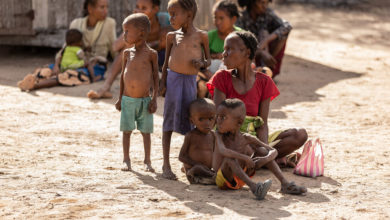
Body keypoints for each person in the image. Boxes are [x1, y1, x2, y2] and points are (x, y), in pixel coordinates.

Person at [208, 31, 307, 194]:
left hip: (251, 140)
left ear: (247, 52)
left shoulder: (264, 81)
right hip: (228, 140)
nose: (223, 54)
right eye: (224, 49)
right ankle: (259, 162)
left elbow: (262, 124)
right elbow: (221, 121)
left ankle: (262, 163)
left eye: (229, 49)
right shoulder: (221, 77)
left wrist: (265, 149)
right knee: (252, 151)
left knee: (299, 135)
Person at [160, 0, 211, 180]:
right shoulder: (171, 36)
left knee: (190, 120)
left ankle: (187, 163)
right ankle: (166, 164)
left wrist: (201, 64)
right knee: (168, 121)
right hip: (173, 81)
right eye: (169, 14)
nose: (170, 18)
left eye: (174, 14)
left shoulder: (201, 36)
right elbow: (166, 62)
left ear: (188, 15)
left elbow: (208, 61)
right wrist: (162, 82)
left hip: (190, 82)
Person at [17, 0, 116, 91]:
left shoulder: (109, 24)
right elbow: (64, 49)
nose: (106, 11)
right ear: (90, 9)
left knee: (70, 75)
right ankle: (31, 80)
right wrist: (56, 65)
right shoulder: (76, 24)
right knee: (48, 69)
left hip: (94, 67)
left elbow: (114, 49)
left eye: (107, 7)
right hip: (72, 63)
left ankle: (36, 85)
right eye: (102, 7)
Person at [87, 0, 172, 99]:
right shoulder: (134, 22)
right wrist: (132, 27)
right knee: (128, 48)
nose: (139, 11)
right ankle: (106, 86)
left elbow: (172, 40)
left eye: (144, 8)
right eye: (137, 7)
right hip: (144, 59)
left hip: (163, 59)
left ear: (155, 9)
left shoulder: (164, 19)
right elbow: (115, 47)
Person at [114, 13, 159, 172]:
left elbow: (155, 78)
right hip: (128, 100)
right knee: (126, 131)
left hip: (144, 101)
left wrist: (154, 99)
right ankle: (126, 159)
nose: (124, 35)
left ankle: (147, 161)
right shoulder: (126, 53)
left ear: (141, 33)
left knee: (146, 132)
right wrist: (120, 98)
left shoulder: (151, 54)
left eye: (127, 31)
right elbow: (122, 78)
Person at [213, 99, 277, 200]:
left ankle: (285, 182)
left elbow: (273, 151)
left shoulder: (246, 137)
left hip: (241, 177)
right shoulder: (218, 135)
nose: (218, 121)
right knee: (230, 159)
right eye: (217, 116)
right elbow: (223, 151)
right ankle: (255, 188)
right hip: (224, 179)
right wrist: (245, 158)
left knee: (262, 151)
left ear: (239, 122)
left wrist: (265, 159)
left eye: (223, 117)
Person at [197, 0, 242, 98]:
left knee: (264, 71)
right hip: (210, 75)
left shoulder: (242, 36)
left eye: (221, 18)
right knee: (195, 79)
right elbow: (198, 57)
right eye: (215, 18)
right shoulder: (209, 36)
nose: (217, 22)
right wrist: (205, 71)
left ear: (233, 19)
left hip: (235, 77)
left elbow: (250, 61)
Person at [236, 0, 292, 78]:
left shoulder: (267, 14)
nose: (265, 6)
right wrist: (261, 52)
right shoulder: (241, 18)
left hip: (268, 54)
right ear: (252, 3)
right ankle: (256, 71)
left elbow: (287, 26)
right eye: (261, 3)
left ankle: (267, 70)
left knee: (269, 33)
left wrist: (266, 40)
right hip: (250, 56)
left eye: (266, 3)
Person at [178, 98, 216, 185]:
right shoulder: (191, 136)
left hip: (208, 169)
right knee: (199, 168)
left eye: (210, 119)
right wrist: (196, 164)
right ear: (192, 121)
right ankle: (214, 176)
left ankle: (213, 174)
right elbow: (181, 157)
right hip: (194, 171)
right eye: (201, 119)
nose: (207, 123)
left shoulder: (213, 135)